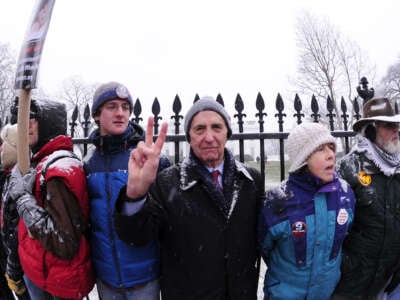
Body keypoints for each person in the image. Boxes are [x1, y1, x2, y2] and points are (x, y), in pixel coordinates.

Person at [114, 96, 265, 300]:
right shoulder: (167, 183)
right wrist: (135, 193)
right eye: (199, 129)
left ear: (227, 133)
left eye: (216, 127)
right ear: (189, 136)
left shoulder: (251, 180)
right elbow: (136, 237)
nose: (209, 137)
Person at [83, 81, 171, 299]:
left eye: (125, 107)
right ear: (96, 115)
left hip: (145, 278)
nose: (121, 113)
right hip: (106, 279)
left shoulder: (147, 159)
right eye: (112, 106)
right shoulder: (88, 164)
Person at [7, 98, 95, 299]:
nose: (24, 124)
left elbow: (63, 242)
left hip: (59, 284)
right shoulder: (38, 164)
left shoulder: (58, 170)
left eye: (33, 118)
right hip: (42, 274)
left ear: (49, 122)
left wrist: (23, 199)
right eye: (22, 118)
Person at [258, 122, 355, 300]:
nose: (331, 155)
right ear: (302, 159)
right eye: (320, 149)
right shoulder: (277, 202)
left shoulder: (345, 194)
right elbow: (265, 249)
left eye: (331, 148)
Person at [332, 97, 400, 299]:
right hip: (357, 284)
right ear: (370, 130)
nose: (396, 130)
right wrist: (349, 264)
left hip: (393, 280)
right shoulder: (349, 168)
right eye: (389, 126)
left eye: (397, 125)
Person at [0, 124, 31, 300]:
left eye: (4, 144)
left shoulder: (19, 180)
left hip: (18, 260)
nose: (1, 150)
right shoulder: (4, 175)